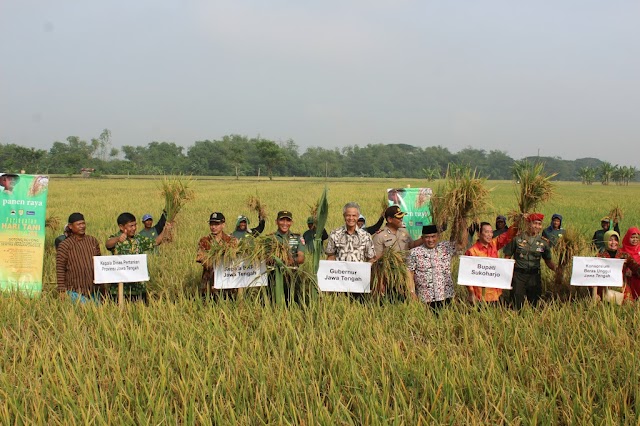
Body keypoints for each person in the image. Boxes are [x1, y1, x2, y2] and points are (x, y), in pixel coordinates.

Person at [105, 212, 171, 302]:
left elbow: (155, 242)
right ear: (121, 227)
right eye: (131, 226)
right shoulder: (115, 238)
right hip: (120, 290)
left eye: (135, 225)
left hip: (138, 288)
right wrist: (118, 239)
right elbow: (108, 244)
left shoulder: (138, 239)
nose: (134, 228)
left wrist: (165, 230)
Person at [503, 213, 557, 309]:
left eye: (539, 224)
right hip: (519, 276)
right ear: (528, 224)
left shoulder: (543, 242)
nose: (537, 226)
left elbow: (548, 261)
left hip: (534, 277)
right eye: (535, 223)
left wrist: (558, 270)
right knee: (516, 304)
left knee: (534, 305)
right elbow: (507, 258)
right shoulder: (517, 239)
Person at [407, 224, 459, 310]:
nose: (430, 240)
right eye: (427, 237)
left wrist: (461, 219)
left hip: (446, 296)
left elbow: (461, 244)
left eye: (433, 236)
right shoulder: (414, 253)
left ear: (438, 236)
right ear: (422, 238)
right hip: (425, 299)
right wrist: (412, 292)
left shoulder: (446, 247)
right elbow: (409, 273)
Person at [465, 220, 518, 304]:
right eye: (486, 232)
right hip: (480, 295)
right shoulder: (472, 251)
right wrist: (471, 293)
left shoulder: (494, 244)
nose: (490, 235)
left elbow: (508, 235)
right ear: (479, 234)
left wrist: (518, 221)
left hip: (495, 293)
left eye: (491, 232)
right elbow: (467, 275)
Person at [56, 213, 102, 303]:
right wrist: (61, 290)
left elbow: (99, 263)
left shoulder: (92, 241)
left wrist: (102, 287)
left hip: (93, 290)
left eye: (83, 223)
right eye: (78, 224)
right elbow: (60, 268)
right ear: (70, 226)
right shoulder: (64, 245)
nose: (82, 226)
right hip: (74, 290)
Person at [196, 212, 237, 298]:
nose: (213, 227)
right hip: (208, 285)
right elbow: (202, 259)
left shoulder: (231, 241)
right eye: (211, 224)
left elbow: (236, 258)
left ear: (223, 225)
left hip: (227, 284)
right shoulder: (204, 241)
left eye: (216, 224)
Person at [270, 210, 305, 304]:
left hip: (292, 275)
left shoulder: (297, 238)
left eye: (288, 221)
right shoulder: (270, 238)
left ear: (291, 222)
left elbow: (301, 258)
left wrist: (290, 260)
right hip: (274, 277)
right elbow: (265, 259)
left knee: (293, 303)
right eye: (282, 220)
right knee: (274, 304)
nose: (285, 223)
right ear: (276, 221)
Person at [594, 230, 628, 301]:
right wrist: (594, 292)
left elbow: (636, 267)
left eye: (616, 240)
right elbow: (592, 274)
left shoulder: (624, 255)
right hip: (604, 289)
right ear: (605, 241)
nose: (613, 243)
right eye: (610, 240)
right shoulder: (599, 257)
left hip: (621, 288)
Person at [620, 228, 640, 301]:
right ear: (627, 237)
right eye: (632, 237)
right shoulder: (621, 251)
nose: (635, 240)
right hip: (626, 280)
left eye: (636, 238)